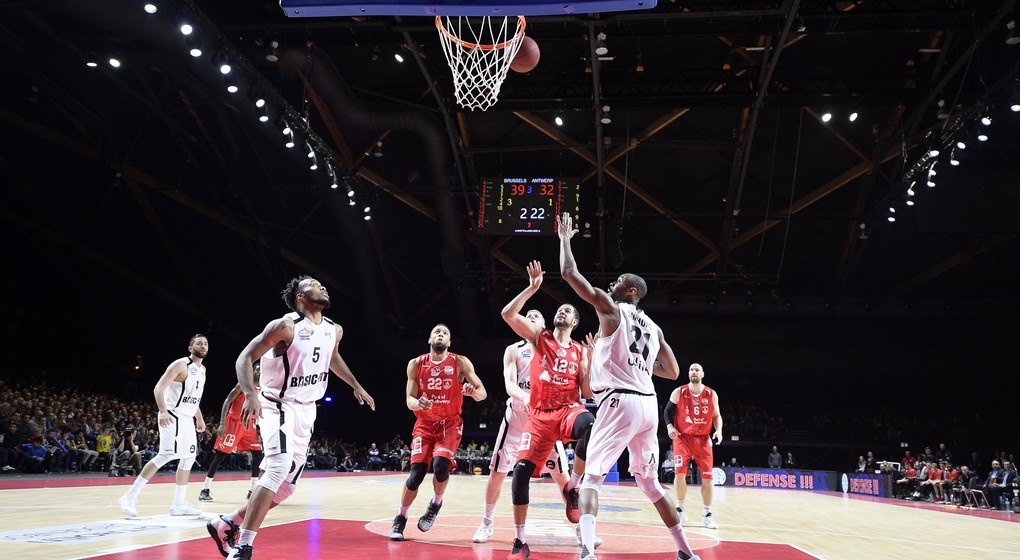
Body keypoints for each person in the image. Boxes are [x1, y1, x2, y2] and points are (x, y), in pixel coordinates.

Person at [557, 212, 700, 560]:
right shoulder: (654, 327)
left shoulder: (612, 309)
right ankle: (685, 552)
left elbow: (569, 274)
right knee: (650, 484)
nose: (612, 283)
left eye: (619, 280)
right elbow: (672, 371)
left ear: (630, 291)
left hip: (619, 403)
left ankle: (587, 552)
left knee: (590, 479)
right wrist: (635, 361)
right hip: (648, 405)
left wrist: (564, 239)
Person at [207, 276, 375, 560]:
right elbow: (245, 357)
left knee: (286, 487)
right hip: (278, 403)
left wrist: (355, 384)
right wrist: (250, 394)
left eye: (322, 284)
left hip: (307, 410)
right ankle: (243, 546)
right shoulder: (285, 326)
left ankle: (227, 523)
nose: (323, 287)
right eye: (314, 284)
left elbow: (332, 358)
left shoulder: (334, 329)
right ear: (300, 295)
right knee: (277, 467)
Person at [497, 261, 597, 559]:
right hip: (538, 417)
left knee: (591, 427)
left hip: (568, 409)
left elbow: (589, 392)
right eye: (560, 309)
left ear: (575, 322)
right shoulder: (540, 336)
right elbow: (507, 315)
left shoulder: (580, 350)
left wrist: (589, 361)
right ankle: (519, 539)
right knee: (520, 474)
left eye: (569, 310)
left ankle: (574, 487)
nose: (562, 311)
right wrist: (531, 288)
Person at [472, 308, 574, 544]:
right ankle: (486, 523)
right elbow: (509, 384)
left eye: (537, 317)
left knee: (562, 476)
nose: (532, 318)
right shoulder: (513, 350)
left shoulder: (554, 350)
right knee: (497, 472)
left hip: (545, 420)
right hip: (518, 417)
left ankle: (579, 528)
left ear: (544, 325)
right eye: (528, 316)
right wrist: (525, 397)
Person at [389, 323, 487, 542]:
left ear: (449, 342)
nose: (440, 335)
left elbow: (482, 393)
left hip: (449, 424)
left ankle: (435, 504)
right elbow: (409, 400)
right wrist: (418, 403)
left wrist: (472, 393)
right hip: (424, 425)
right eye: (436, 332)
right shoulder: (416, 364)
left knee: (441, 466)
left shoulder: (460, 362)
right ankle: (400, 518)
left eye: (445, 333)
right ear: (430, 339)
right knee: (415, 476)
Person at [118, 334, 209, 518]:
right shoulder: (180, 365)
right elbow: (158, 388)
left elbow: (194, 398)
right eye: (199, 343)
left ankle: (179, 504)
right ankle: (129, 496)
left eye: (206, 343)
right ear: (190, 348)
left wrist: (199, 418)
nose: (203, 346)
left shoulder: (202, 370)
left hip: (187, 417)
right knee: (166, 454)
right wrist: (163, 411)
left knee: (189, 458)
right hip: (172, 414)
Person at [666, 363, 723, 530]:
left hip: (703, 439)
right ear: (688, 373)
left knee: (708, 477)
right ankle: (680, 510)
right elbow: (667, 412)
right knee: (679, 474)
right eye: (691, 369)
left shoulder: (711, 394)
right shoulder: (679, 391)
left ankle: (707, 515)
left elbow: (717, 416)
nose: (694, 372)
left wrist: (718, 431)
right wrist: (670, 426)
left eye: (697, 370)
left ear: (702, 374)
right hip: (682, 439)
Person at [199, 363, 265, 503]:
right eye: (257, 369)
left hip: (249, 425)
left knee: (258, 453)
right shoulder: (244, 384)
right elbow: (228, 400)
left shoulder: (264, 388)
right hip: (234, 423)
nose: (259, 371)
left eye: (261, 369)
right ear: (252, 371)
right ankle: (205, 490)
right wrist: (222, 423)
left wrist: (260, 427)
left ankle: (252, 491)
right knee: (221, 455)